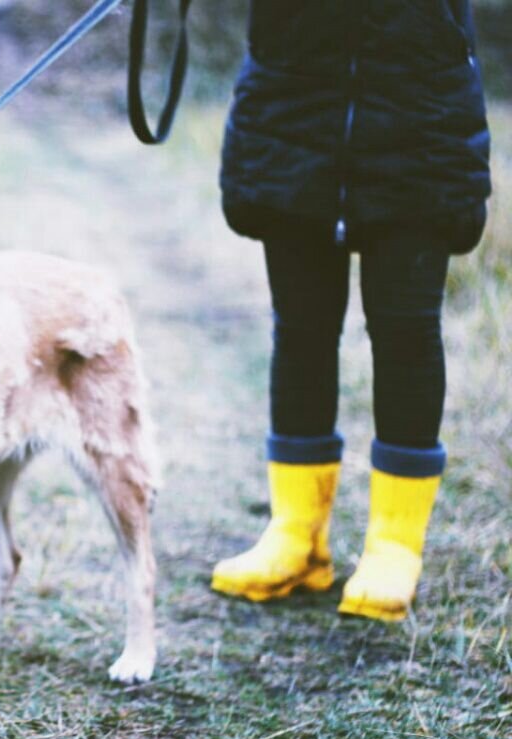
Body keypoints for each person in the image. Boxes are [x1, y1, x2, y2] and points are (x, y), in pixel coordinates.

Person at [210, 0, 491, 620]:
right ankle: (296, 534)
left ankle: (394, 544)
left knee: (407, 330)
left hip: (420, 114)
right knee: (301, 330)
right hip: (294, 109)